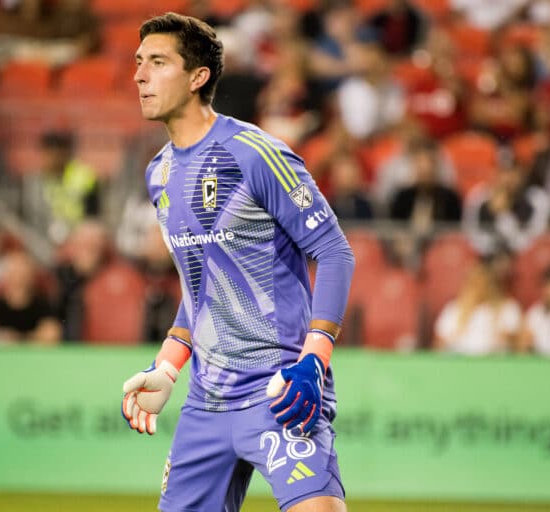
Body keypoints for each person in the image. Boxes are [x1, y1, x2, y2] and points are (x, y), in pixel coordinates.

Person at [121, 13, 354, 512]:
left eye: (157, 62)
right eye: (138, 62)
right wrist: (168, 366)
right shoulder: (159, 173)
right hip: (206, 403)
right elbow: (203, 284)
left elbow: (334, 251)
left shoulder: (254, 154)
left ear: (197, 76)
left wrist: (314, 360)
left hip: (280, 389)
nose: (139, 75)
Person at [464, 153, 550, 256]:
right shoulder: (479, 196)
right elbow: (471, 234)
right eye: (503, 172)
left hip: (525, 257)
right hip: (486, 257)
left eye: (513, 171)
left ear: (522, 173)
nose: (508, 178)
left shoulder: (536, 198)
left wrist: (503, 213)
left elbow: (536, 238)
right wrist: (493, 213)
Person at [434, 261, 522, 355]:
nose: (480, 288)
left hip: (495, 359)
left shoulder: (507, 307)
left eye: (484, 283)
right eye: (475, 283)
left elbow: (519, 341)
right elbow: (439, 342)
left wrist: (505, 337)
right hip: (460, 358)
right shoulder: (454, 308)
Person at [0, 251, 60, 345]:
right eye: (13, 273)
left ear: (31, 276)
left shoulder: (42, 305)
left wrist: (18, 339)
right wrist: (3, 337)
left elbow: (52, 334)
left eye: (22, 274)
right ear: (6, 276)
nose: (18, 279)